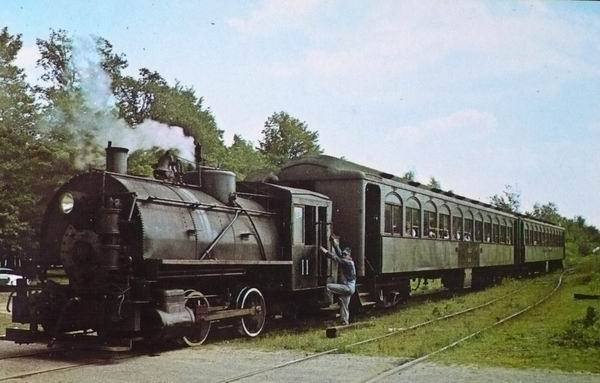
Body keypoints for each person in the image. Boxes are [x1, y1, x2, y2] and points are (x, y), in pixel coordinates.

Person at [320, 235, 356, 325]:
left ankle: (327, 302)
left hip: (347, 287)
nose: (343, 255)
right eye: (343, 254)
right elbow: (339, 253)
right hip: (351, 288)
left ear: (349, 255)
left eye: (345, 254)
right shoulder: (349, 261)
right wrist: (334, 243)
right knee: (344, 306)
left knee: (328, 287)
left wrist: (325, 252)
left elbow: (336, 258)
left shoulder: (346, 262)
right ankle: (345, 322)